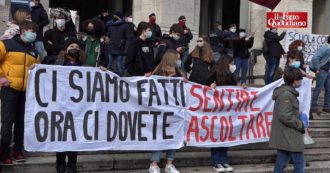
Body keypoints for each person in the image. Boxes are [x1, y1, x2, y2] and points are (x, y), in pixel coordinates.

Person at [0, 21, 40, 166]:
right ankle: (4, 152)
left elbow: (38, 68)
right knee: (7, 121)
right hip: (10, 89)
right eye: (31, 30)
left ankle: (18, 150)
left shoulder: (34, 50)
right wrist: (2, 77)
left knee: (21, 122)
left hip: (26, 91)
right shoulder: (7, 44)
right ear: (22, 31)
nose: (33, 34)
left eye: (35, 31)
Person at [146, 49, 185, 173]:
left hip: (175, 112)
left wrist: (184, 81)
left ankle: (169, 163)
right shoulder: (157, 73)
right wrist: (146, 78)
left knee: (173, 137)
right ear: (171, 59)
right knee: (159, 137)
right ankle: (154, 164)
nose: (179, 61)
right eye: (177, 58)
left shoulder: (179, 74)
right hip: (160, 112)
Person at [54, 38, 85, 173]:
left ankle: (72, 166)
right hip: (60, 106)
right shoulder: (56, 64)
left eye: (77, 47)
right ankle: (60, 165)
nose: (74, 48)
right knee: (61, 136)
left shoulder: (85, 67)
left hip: (78, 108)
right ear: (65, 49)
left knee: (74, 136)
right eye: (72, 46)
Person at [270, 67, 305, 173]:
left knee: (281, 161)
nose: (301, 81)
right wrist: (300, 124)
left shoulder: (286, 93)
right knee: (299, 163)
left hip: (285, 135)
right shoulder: (286, 94)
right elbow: (285, 115)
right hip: (289, 135)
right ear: (295, 80)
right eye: (300, 79)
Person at [205, 55, 236, 173]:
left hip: (227, 111)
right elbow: (203, 89)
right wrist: (210, 88)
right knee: (217, 135)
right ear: (226, 64)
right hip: (216, 111)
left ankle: (224, 159)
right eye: (231, 63)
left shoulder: (231, 75)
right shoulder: (213, 74)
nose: (233, 66)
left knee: (225, 135)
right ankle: (216, 161)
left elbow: (235, 91)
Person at [107, 11, 133, 76]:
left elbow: (129, 39)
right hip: (111, 49)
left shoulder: (126, 26)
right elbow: (109, 36)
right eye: (114, 16)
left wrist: (126, 50)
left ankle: (120, 81)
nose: (114, 18)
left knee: (120, 68)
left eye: (115, 16)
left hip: (121, 50)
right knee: (108, 67)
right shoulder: (111, 25)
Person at [311, 36, 330, 113]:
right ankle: (313, 106)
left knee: (329, 90)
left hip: (328, 71)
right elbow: (316, 58)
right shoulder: (324, 48)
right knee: (318, 89)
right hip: (322, 71)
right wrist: (317, 68)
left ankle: (326, 106)